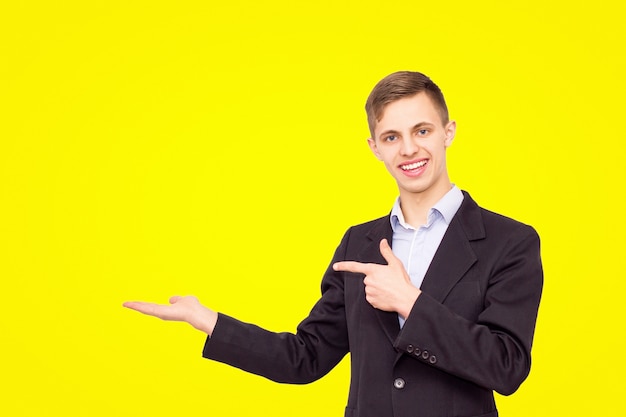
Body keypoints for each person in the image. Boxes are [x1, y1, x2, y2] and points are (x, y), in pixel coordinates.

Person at [124, 71, 543, 417]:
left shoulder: (510, 242)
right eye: (392, 136)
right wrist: (210, 321)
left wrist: (410, 303)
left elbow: (505, 368)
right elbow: (304, 358)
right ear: (375, 147)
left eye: (422, 130)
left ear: (448, 132)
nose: (409, 148)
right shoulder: (358, 243)